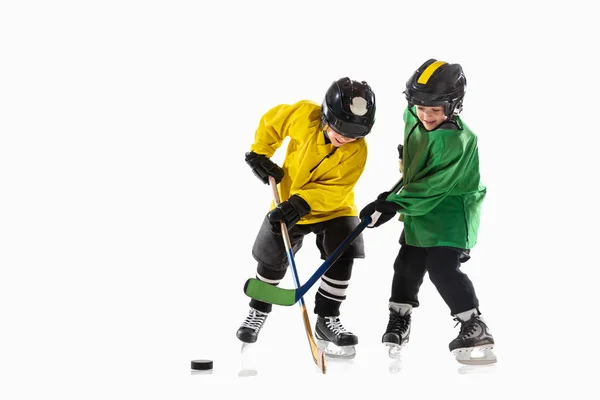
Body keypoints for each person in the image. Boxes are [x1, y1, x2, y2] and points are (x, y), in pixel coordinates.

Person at [359, 59, 496, 364]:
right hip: (420, 212)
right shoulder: (413, 115)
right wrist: (395, 189)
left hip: (450, 213)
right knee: (406, 265)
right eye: (421, 108)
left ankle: (474, 325)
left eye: (435, 110)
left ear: (454, 105)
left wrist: (394, 203)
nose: (426, 116)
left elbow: (435, 185)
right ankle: (399, 320)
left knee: (442, 268)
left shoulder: (458, 139)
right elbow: (417, 161)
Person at [236, 77, 377, 358]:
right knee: (272, 253)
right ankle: (257, 311)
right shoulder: (304, 115)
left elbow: (337, 189)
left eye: (354, 134)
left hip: (333, 206)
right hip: (288, 200)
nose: (345, 138)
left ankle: (327, 319)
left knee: (345, 248)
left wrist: (304, 203)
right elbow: (272, 123)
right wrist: (260, 153)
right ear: (326, 115)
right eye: (340, 129)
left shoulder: (357, 151)